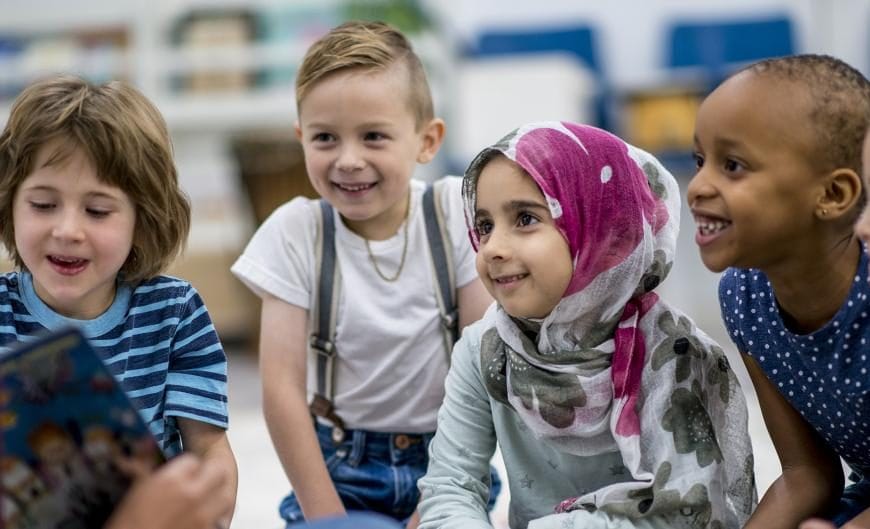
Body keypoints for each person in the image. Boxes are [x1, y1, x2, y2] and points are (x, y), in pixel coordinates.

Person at [418, 121, 756, 529]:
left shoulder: (672, 352)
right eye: (485, 226)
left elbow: (683, 513)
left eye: (525, 218)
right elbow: (450, 486)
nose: (493, 248)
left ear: (604, 232)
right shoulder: (485, 349)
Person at [230, 20, 495, 528]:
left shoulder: (454, 214)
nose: (348, 160)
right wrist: (328, 517)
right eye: (325, 138)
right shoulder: (295, 232)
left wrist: (436, 505)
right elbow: (281, 391)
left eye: (373, 136)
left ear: (426, 140)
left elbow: (485, 372)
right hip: (337, 471)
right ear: (300, 138)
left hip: (451, 461)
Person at [0, 75, 238, 524]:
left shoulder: (174, 313)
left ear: (141, 220)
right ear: (10, 205)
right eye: (43, 204)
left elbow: (209, 452)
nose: (68, 230)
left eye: (97, 210)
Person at [687, 54, 870, 529]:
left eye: (733, 165)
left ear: (832, 196)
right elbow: (808, 473)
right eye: (699, 160)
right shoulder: (745, 299)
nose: (698, 186)